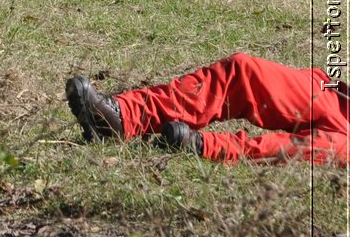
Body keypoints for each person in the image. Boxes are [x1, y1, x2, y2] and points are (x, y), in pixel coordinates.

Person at [65, 56, 349, 165]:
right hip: (338, 91)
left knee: (308, 148)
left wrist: (203, 144)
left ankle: (200, 146)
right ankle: (121, 118)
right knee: (243, 71)